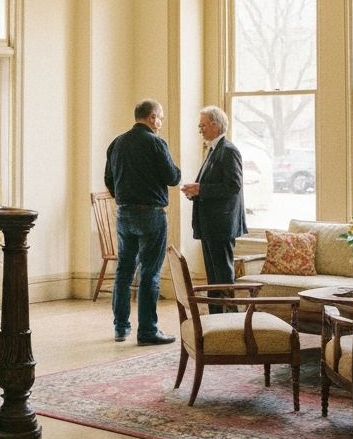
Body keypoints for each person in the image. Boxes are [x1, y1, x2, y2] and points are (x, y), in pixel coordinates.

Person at [104, 99, 180, 345]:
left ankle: (120, 327)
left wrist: (124, 197)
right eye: (160, 118)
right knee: (150, 272)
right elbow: (172, 177)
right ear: (152, 117)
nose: (161, 123)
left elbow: (109, 179)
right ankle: (147, 331)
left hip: (124, 214)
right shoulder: (156, 143)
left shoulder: (117, 143)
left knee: (124, 271)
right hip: (151, 214)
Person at [181, 106, 247, 313]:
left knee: (223, 275)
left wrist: (201, 189)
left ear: (216, 125)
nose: (200, 129)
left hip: (221, 224)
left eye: (203, 125)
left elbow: (233, 186)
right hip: (210, 223)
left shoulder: (228, 150)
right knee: (213, 276)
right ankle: (215, 317)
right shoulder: (212, 150)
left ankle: (229, 318)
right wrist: (195, 191)